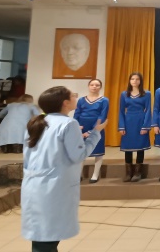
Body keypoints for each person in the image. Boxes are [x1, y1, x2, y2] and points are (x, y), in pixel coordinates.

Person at [21, 86, 108, 252]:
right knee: (47, 240)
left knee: (41, 237)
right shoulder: (69, 123)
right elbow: (79, 156)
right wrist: (96, 133)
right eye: (73, 95)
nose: (76, 97)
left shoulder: (35, 123)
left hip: (33, 185)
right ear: (65, 103)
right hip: (54, 188)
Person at [118, 72, 151, 183]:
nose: (135, 81)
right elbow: (121, 111)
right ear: (129, 81)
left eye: (137, 79)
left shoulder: (146, 94)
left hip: (140, 120)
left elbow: (148, 110)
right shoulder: (124, 94)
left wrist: (146, 126)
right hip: (128, 121)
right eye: (132, 79)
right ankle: (128, 173)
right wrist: (121, 126)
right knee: (128, 147)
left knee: (140, 146)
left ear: (140, 81)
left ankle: (138, 172)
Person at [74, 79, 109, 183]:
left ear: (100, 87)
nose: (94, 87)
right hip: (82, 128)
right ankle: (78, 174)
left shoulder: (104, 100)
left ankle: (95, 174)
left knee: (98, 151)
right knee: (81, 151)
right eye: (92, 85)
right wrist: (76, 127)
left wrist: (91, 131)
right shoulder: (81, 100)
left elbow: (102, 116)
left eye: (97, 85)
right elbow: (76, 114)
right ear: (88, 86)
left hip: (96, 128)